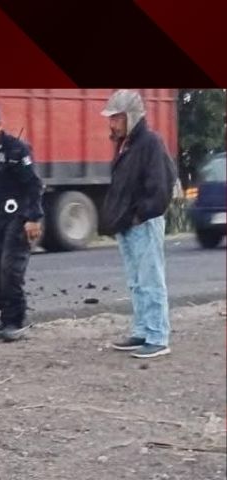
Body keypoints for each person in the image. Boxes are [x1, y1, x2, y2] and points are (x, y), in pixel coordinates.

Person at [100, 90, 177, 359]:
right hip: (129, 224)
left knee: (151, 280)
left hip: (143, 223)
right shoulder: (127, 144)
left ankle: (157, 336)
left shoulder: (150, 143)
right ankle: (143, 330)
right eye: (111, 118)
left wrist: (140, 215)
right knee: (136, 282)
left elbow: (163, 184)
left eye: (116, 118)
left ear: (131, 116)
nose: (112, 123)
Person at [0, 105, 44, 342]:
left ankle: (16, 321)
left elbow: (34, 185)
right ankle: (5, 319)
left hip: (19, 214)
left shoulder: (16, 149)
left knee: (10, 269)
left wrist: (33, 218)